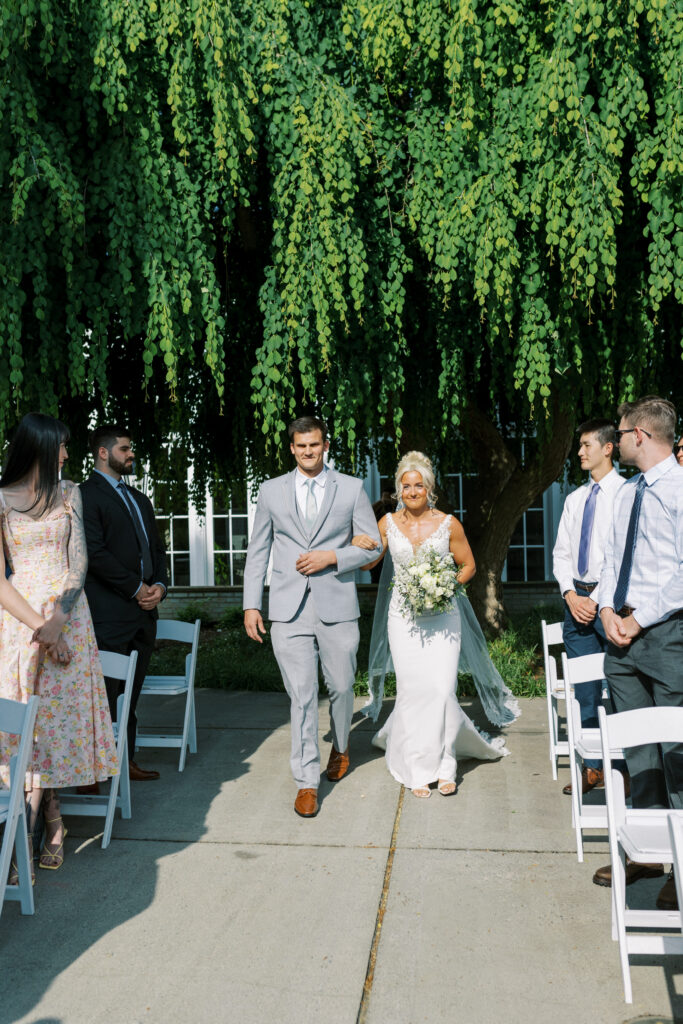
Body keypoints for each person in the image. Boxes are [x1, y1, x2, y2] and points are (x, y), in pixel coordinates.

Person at [354, 452, 519, 798]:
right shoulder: (387, 523)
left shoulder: (449, 524)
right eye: (407, 485)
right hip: (403, 619)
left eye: (419, 485)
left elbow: (469, 565)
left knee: (443, 691)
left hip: (444, 617)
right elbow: (371, 563)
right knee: (414, 692)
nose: (413, 491)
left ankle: (446, 766)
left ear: (430, 489)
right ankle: (416, 767)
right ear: (399, 490)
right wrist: (358, 543)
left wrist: (446, 587)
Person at [243, 415, 380, 818]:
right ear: (291, 448)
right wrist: (252, 604)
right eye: (301, 446)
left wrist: (334, 556)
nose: (308, 452)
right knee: (301, 696)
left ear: (325, 445)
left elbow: (372, 549)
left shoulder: (351, 488)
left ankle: (340, 745)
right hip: (287, 610)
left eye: (315, 445)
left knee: (340, 687)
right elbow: (258, 552)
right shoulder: (270, 492)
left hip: (337, 605)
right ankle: (306, 780)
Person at [0, 413, 118, 875]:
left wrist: (59, 620)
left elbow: (79, 560)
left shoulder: (70, 494)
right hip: (17, 621)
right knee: (24, 723)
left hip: (69, 617)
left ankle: (43, 822)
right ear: (41, 448)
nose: (68, 455)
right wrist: (40, 629)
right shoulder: (1, 500)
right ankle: (44, 819)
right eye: (63, 447)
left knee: (53, 723)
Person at [593, 396, 683, 908]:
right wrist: (607, 611)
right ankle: (648, 852)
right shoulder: (627, 493)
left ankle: (682, 860)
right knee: (638, 751)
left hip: (666, 636)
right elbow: (611, 557)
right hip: (620, 638)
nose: (618, 440)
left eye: (622, 434)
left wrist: (637, 619)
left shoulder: (680, 490)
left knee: (677, 752)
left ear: (640, 437)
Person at [80, 426, 168, 782]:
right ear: (104, 453)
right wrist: (135, 588)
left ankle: (125, 761)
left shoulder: (138, 498)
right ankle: (90, 773)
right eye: (125, 448)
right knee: (102, 697)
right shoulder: (85, 495)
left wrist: (159, 586)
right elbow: (94, 552)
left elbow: (157, 549)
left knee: (130, 697)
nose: (131, 454)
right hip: (109, 614)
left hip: (144, 616)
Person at [552, 419, 626, 795]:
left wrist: (596, 601)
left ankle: (627, 768)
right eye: (579, 446)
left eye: (586, 445)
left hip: (611, 603)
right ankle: (593, 768)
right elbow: (561, 553)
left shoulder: (626, 494)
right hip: (575, 604)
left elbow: (622, 556)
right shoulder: (574, 499)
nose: (579, 452)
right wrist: (570, 595)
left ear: (608, 447)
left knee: (622, 688)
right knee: (584, 689)